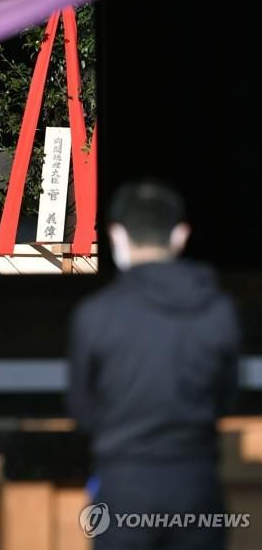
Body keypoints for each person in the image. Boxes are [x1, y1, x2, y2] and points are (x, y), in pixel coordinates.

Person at [68, 181, 240, 550]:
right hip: (195, 484)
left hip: (123, 485)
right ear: (180, 235)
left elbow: (82, 409)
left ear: (116, 235)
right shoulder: (218, 311)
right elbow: (226, 399)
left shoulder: (95, 315)